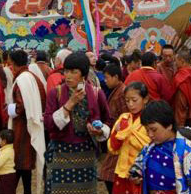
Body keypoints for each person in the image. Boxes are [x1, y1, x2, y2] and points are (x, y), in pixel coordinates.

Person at [43, 51, 110, 194]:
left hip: (86, 155)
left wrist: (100, 130)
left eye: (73, 72)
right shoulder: (56, 93)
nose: (68, 75)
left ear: (84, 74)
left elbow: (108, 120)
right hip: (60, 154)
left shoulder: (97, 93)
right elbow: (48, 124)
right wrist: (70, 103)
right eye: (66, 71)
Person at [128, 100, 191, 193]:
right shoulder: (149, 148)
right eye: (147, 130)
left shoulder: (188, 149)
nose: (150, 134)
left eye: (153, 129)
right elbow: (138, 166)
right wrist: (136, 175)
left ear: (169, 125)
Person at [8, 49, 47, 194]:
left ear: (14, 64)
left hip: (22, 127)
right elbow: (43, 97)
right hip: (33, 124)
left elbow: (20, 106)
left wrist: (11, 110)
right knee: (26, 163)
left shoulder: (22, 80)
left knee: (19, 162)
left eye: (10, 64)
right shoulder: (33, 77)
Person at [108, 82, 150, 194]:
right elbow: (112, 148)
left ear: (145, 99)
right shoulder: (124, 118)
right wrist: (118, 135)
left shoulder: (150, 120)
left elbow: (150, 146)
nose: (130, 104)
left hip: (142, 172)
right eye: (127, 101)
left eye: (134, 100)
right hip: (122, 170)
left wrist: (128, 134)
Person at [99, 64, 128, 193]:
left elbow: (125, 116)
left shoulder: (122, 92)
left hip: (121, 139)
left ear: (116, 77)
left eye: (107, 78)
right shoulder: (118, 90)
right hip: (116, 137)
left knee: (108, 172)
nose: (105, 80)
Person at [0, 130, 16, 194]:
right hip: (8, 176)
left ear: (4, 141)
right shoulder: (10, 149)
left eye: (0, 139)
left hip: (6, 177)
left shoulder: (5, 152)